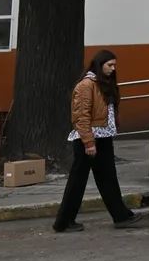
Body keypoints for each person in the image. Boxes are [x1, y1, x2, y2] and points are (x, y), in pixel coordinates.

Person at [52, 50, 141, 233]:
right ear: (99, 65)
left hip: (104, 136)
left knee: (108, 177)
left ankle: (121, 216)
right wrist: (88, 142)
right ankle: (64, 221)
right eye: (110, 65)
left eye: (115, 65)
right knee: (78, 181)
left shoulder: (103, 84)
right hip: (90, 138)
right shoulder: (86, 85)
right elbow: (81, 116)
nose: (113, 69)